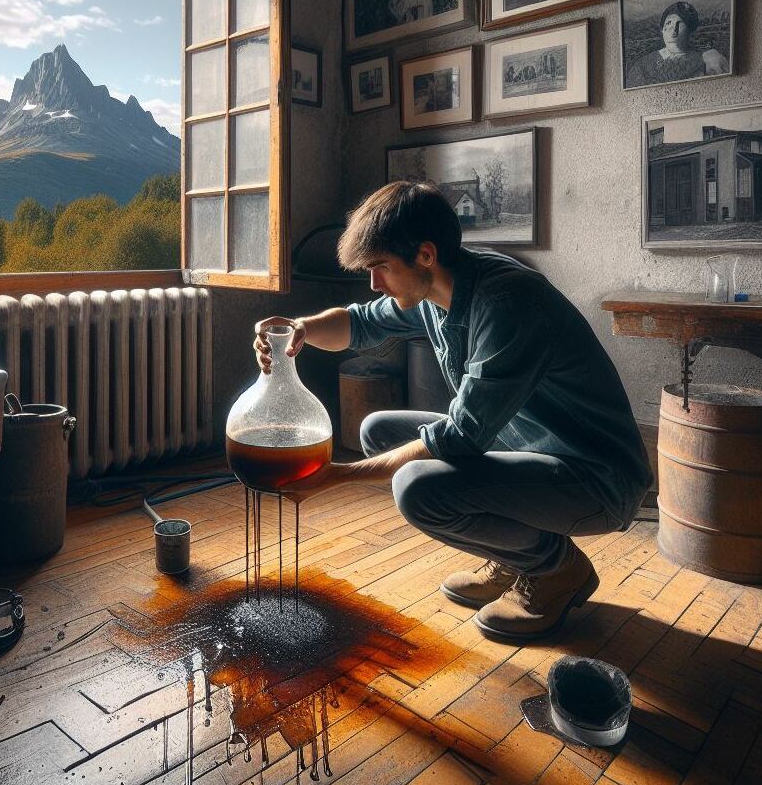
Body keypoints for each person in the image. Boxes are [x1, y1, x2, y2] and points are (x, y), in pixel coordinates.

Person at [253, 181, 650, 642]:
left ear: (424, 254)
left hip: (595, 479)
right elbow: (359, 322)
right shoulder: (437, 288)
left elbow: (460, 438)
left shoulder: (505, 304)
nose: (374, 282)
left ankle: (555, 569)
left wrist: (337, 476)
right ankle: (514, 554)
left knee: (418, 489)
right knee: (379, 431)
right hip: (525, 450)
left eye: (380, 267)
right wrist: (298, 329)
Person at [625, 1, 730, 87]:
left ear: (690, 31)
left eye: (679, 24)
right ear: (662, 29)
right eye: (668, 23)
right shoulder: (642, 65)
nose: (673, 30)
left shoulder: (708, 59)